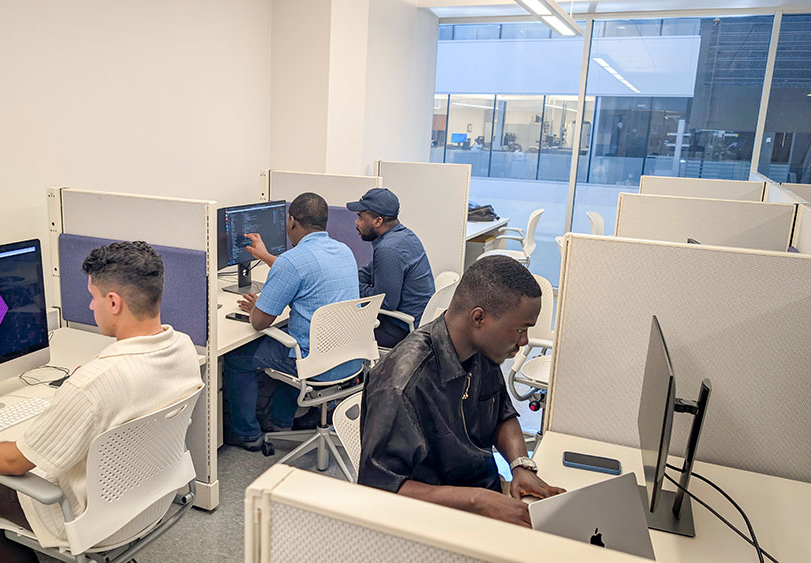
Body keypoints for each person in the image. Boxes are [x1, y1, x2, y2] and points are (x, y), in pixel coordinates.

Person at [0, 241, 203, 562]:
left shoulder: (94, 382)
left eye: (93, 297)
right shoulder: (183, 346)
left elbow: (14, 462)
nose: (91, 306)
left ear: (113, 302)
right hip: (149, 497)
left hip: (93, 519)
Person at [357, 255, 565, 528]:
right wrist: (477, 501)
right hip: (432, 521)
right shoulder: (403, 385)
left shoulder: (482, 350)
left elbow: (502, 413)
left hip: (480, 496)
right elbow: (378, 489)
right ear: (479, 317)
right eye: (519, 330)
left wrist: (520, 465)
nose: (524, 342)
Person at [224, 192, 361, 451]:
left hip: (315, 363)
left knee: (238, 358)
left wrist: (256, 308)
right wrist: (266, 257)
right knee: (291, 339)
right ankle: (279, 420)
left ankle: (247, 434)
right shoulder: (344, 251)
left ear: (292, 222)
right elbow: (305, 272)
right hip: (349, 358)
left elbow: (260, 323)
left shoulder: (292, 261)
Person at [347, 188, 434, 348]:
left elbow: (386, 302)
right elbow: (369, 271)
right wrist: (348, 278)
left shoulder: (388, 249)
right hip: (418, 321)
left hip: (402, 330)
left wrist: (353, 287)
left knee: (341, 331)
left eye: (360, 217)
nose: (356, 222)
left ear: (378, 221)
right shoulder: (404, 236)